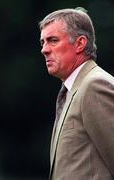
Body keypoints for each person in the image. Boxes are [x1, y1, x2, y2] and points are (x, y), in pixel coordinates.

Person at [39, 7, 114, 180]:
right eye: (42, 42)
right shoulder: (74, 88)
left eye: (53, 40)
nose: (44, 49)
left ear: (80, 43)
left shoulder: (94, 85)